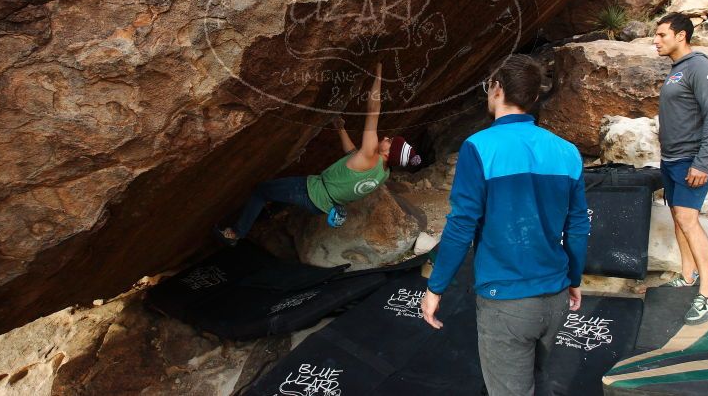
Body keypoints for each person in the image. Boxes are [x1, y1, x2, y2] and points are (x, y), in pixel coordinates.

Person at [420, 54, 590, 396]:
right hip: (554, 296)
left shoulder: (479, 147)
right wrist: (573, 279)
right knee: (534, 381)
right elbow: (577, 226)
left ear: (496, 89)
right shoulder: (567, 151)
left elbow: (461, 226)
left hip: (507, 302)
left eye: (488, 86)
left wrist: (435, 287)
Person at [217, 62, 421, 245]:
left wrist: (378, 73)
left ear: (388, 153)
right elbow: (352, 155)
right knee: (277, 193)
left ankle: (236, 233)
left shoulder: (370, 154)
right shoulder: (382, 173)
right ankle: (269, 214)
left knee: (260, 191)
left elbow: (374, 110)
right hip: (323, 204)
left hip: (310, 191)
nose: (387, 138)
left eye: (390, 142)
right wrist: (340, 127)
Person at [653, 12, 708, 324]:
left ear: (681, 35)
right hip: (671, 159)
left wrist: (703, 162)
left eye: (661, 35)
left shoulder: (700, 67)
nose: (655, 41)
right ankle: (687, 275)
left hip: (690, 160)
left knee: (688, 219)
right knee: (678, 217)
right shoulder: (677, 70)